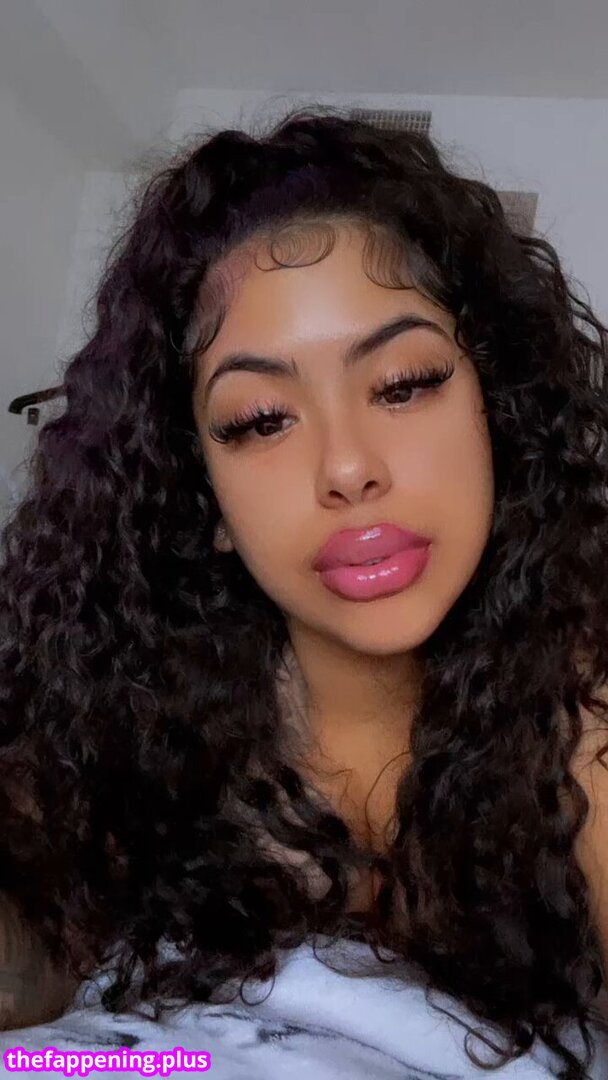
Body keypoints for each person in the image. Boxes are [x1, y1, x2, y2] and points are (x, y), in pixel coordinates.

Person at [1, 102, 608, 1077]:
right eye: (260, 420)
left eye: (404, 383)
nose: (347, 467)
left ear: (496, 415)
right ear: (202, 496)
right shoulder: (122, 728)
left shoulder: (578, 713)